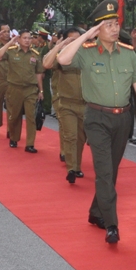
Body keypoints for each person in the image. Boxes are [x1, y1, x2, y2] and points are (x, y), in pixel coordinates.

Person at [58, 0, 136, 245]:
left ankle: (96, 211)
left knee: (110, 171)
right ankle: (111, 224)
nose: (114, 28)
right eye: (108, 24)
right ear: (97, 29)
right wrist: (84, 36)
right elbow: (62, 59)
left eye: (116, 23)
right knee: (104, 171)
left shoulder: (128, 53)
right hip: (97, 118)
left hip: (123, 118)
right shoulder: (87, 52)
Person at [44, 27, 88, 184]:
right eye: (71, 39)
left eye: (78, 39)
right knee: (70, 136)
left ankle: (77, 165)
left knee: (81, 138)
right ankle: (72, 168)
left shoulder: (88, 54)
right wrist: (59, 46)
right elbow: (46, 63)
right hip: (66, 103)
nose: (75, 42)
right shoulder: (62, 57)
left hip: (85, 104)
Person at [0, 30, 44, 153]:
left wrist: (41, 90)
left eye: (29, 38)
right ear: (19, 39)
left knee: (31, 117)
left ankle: (30, 144)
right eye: (24, 38)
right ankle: (14, 138)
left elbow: (38, 73)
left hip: (30, 89)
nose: (27, 40)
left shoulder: (35, 54)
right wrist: (10, 42)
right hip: (14, 88)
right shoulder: (11, 51)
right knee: (14, 116)